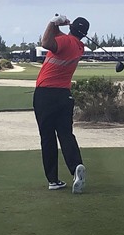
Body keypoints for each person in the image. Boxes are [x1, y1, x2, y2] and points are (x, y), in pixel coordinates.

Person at [33, 14, 89, 193]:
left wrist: (52, 21)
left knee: (47, 138)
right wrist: (59, 25)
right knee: (65, 134)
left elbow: (46, 42)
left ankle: (53, 180)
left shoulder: (65, 42)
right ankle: (76, 166)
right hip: (64, 95)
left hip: (45, 94)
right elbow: (56, 37)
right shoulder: (79, 47)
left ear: (71, 28)